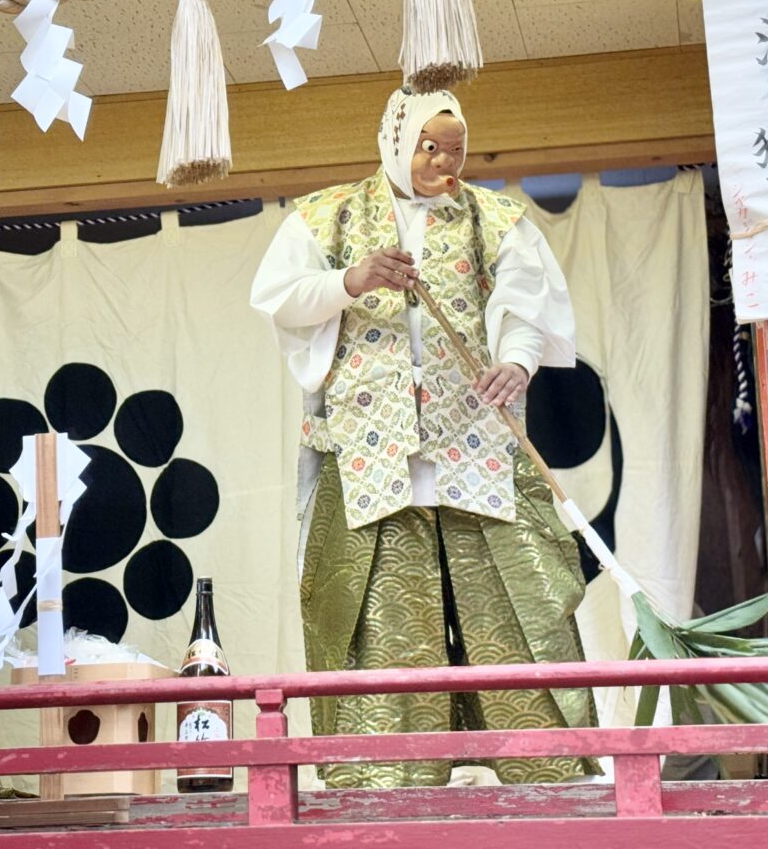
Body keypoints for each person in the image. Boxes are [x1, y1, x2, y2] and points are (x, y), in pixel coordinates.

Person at [251, 86, 598, 787]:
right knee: (384, 644)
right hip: (373, 463)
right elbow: (279, 297)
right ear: (396, 143)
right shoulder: (329, 215)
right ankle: (387, 798)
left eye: (455, 151)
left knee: (517, 629)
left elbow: (524, 302)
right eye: (428, 148)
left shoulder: (494, 218)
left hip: (476, 462)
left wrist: (516, 363)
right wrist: (349, 280)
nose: (443, 163)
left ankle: (550, 791)